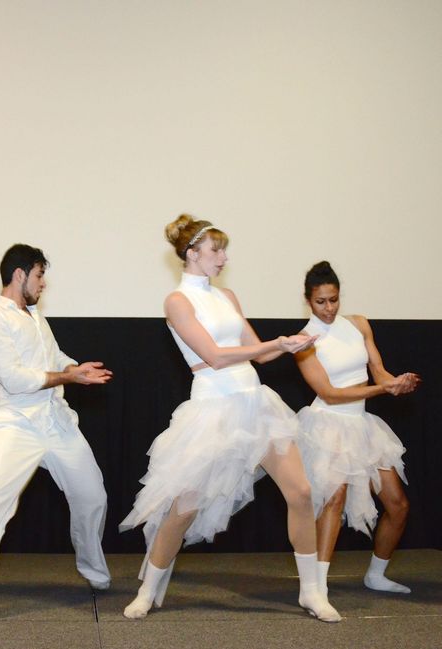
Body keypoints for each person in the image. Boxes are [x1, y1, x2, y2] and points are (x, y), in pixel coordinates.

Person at [119, 215, 340, 622]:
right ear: (192, 253)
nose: (223, 257)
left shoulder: (227, 297)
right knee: (183, 510)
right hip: (213, 409)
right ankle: (148, 590)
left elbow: (258, 352)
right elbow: (215, 357)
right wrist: (274, 343)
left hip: (255, 404)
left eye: (223, 249)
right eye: (215, 249)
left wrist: (290, 345)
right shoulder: (177, 301)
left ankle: (312, 592)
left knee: (302, 492)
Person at [0, 244, 112, 622]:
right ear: (20, 275)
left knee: (92, 495)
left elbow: (54, 358)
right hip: (15, 424)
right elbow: (16, 379)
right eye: (39, 275)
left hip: (55, 421)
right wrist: (67, 376)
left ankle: (92, 568)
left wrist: (75, 368)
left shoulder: (35, 317)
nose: (43, 284)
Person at [293, 261, 419, 598]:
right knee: (333, 501)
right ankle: (316, 586)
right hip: (327, 425)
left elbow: (378, 371)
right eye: (321, 301)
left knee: (398, 504)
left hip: (362, 425)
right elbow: (330, 394)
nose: (329, 308)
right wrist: (382, 390)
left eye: (334, 299)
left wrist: (397, 382)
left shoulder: (359, 324)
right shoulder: (303, 341)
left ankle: (376, 574)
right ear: (308, 300)